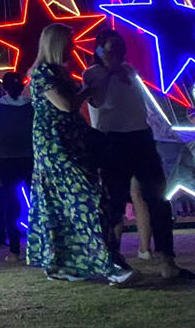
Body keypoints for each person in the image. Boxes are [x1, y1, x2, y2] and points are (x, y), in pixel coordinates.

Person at [83, 28, 195, 281]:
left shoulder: (130, 71)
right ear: (100, 50)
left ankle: (168, 262)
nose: (118, 53)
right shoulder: (92, 74)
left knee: (158, 200)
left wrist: (121, 70)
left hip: (142, 138)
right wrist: (109, 69)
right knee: (114, 203)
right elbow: (97, 102)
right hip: (112, 140)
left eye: (120, 48)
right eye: (112, 47)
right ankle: (113, 262)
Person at [27, 24, 132, 284]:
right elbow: (64, 105)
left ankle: (65, 264)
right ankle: (108, 265)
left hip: (75, 143)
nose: (73, 47)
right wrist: (85, 92)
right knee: (87, 199)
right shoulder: (42, 74)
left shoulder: (61, 73)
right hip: (56, 148)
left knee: (71, 204)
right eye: (68, 42)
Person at [0, 71, 34, 261]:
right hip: (29, 157)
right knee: (35, 201)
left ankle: (14, 250)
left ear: (3, 87)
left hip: (6, 160)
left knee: (11, 205)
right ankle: (41, 245)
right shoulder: (30, 107)